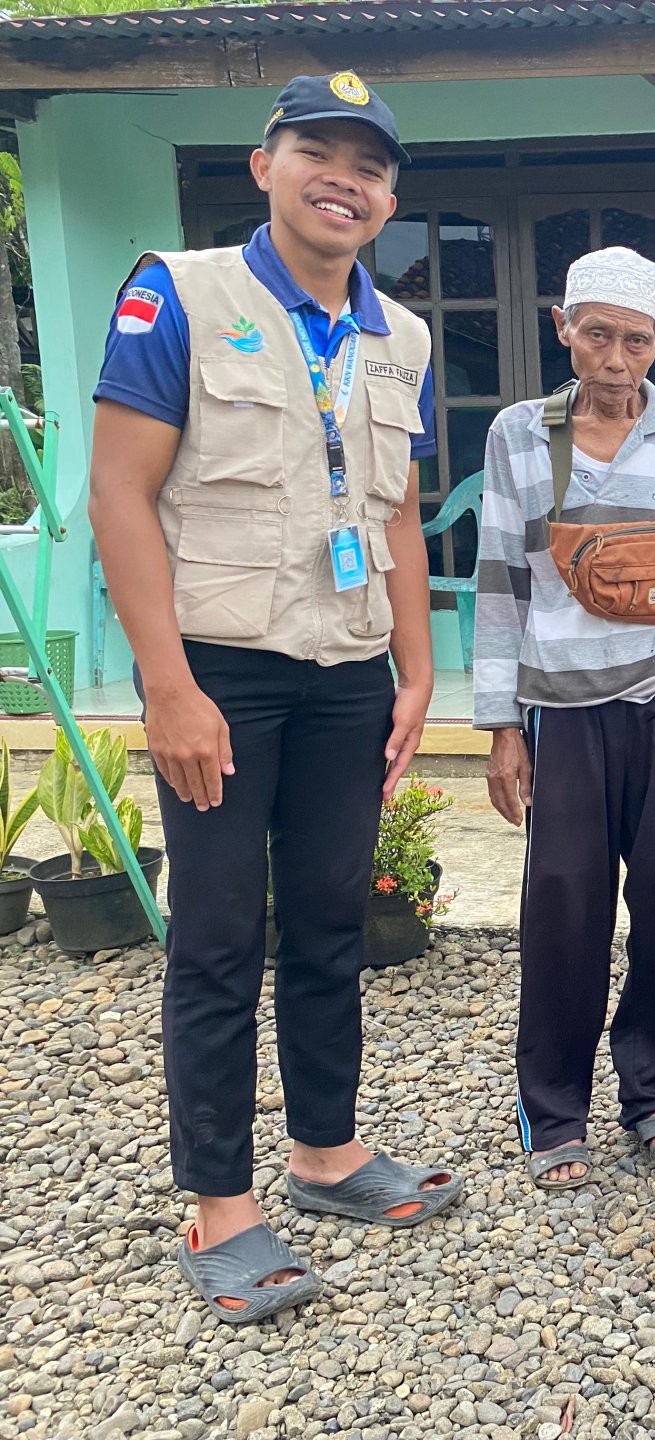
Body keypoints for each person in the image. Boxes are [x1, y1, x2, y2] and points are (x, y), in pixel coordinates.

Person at [90, 72, 458, 1324]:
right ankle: (221, 1206)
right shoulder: (179, 294)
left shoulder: (396, 336)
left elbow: (394, 517)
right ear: (265, 164)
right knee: (216, 940)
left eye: (369, 163)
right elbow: (119, 496)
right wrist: (167, 686)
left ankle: (326, 1154)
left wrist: (417, 673)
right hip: (222, 673)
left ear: (392, 197)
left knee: (327, 923)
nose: (343, 178)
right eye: (319, 150)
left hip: (348, 674)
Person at [473, 247, 655, 1186]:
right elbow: (500, 585)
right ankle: (554, 1115)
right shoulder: (518, 435)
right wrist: (501, 726)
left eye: (635, 340)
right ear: (564, 329)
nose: (616, 357)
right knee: (564, 912)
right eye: (598, 335)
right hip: (563, 714)